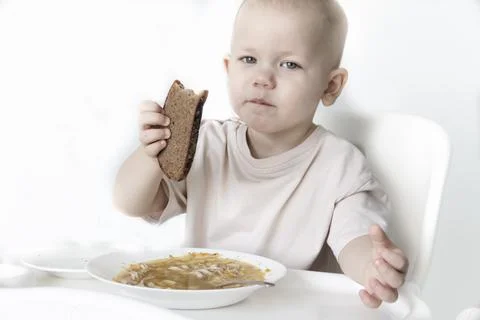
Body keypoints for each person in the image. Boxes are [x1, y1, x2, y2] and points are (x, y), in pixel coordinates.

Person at [113, 0, 409, 308]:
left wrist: (373, 267)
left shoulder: (340, 166)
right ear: (229, 69)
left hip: (290, 311)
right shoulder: (208, 144)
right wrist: (152, 155)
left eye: (289, 64)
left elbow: (354, 240)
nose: (262, 78)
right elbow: (130, 202)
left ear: (330, 86)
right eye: (249, 58)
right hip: (204, 308)